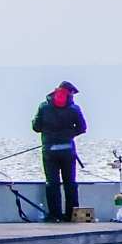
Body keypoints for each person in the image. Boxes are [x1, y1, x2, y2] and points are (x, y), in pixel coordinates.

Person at [31, 81, 87, 222]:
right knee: (70, 183)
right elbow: (82, 127)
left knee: (52, 183)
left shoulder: (44, 107)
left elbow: (36, 127)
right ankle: (73, 215)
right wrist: (68, 135)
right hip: (68, 150)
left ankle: (55, 215)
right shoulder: (74, 108)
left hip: (49, 150)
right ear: (70, 93)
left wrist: (50, 133)